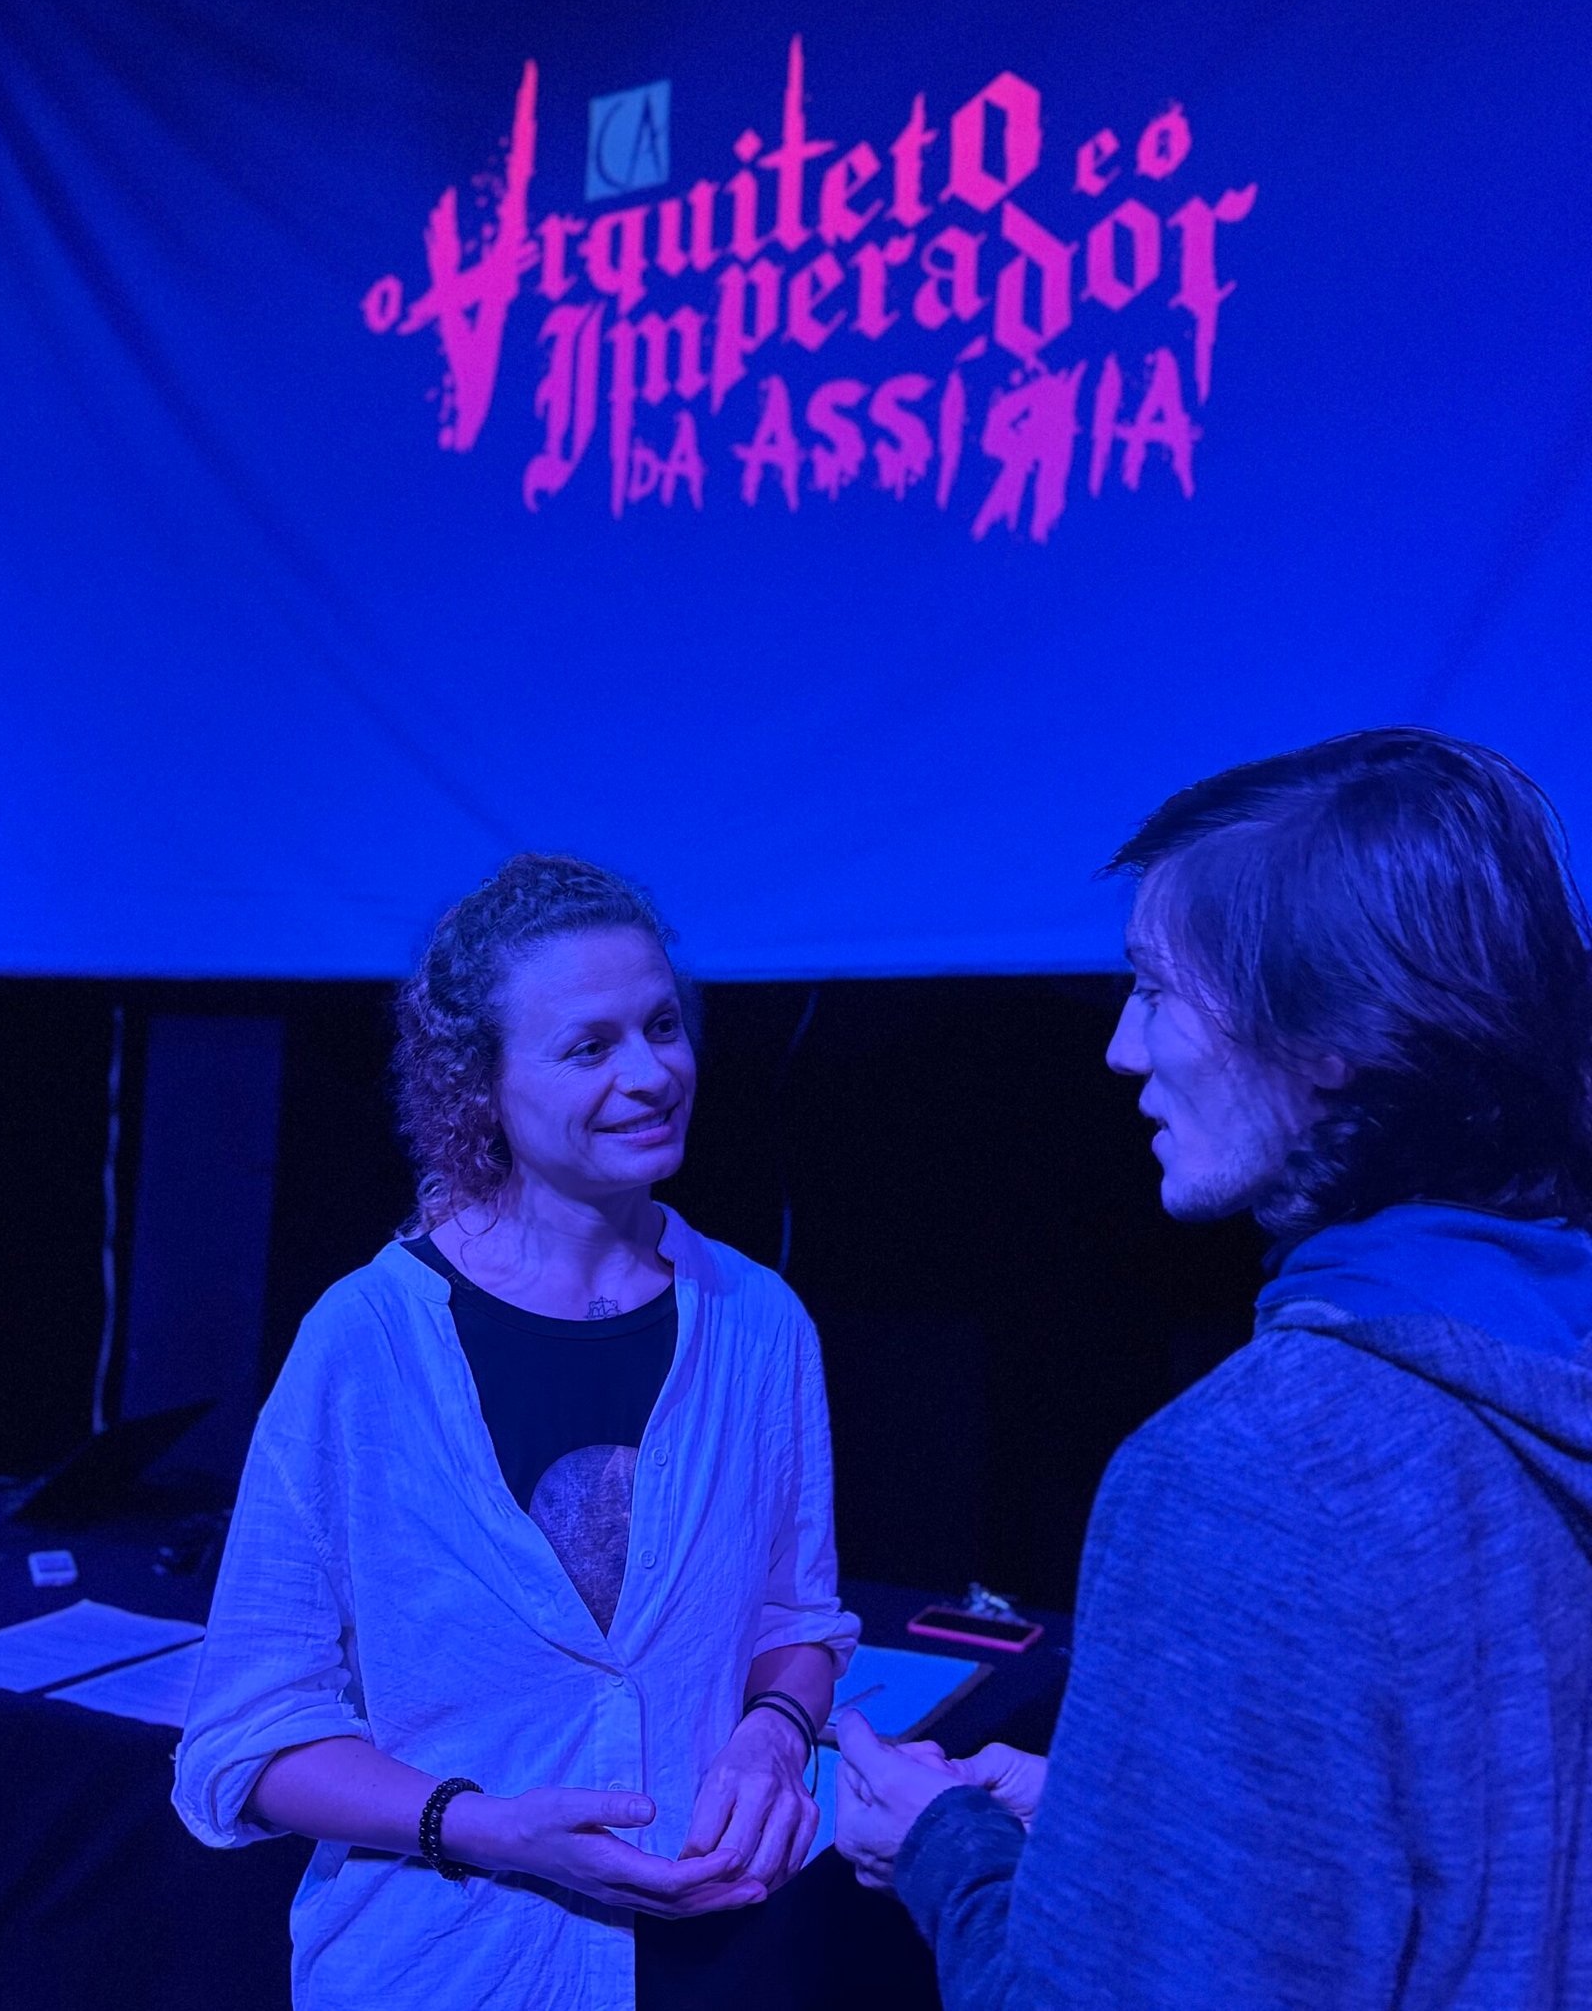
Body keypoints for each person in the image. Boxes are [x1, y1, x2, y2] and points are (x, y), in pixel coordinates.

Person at [836, 729, 1592, 2009]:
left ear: (1329, 1034)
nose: (1121, 1051)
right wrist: (1123, 1827)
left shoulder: (1250, 1474)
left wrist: (946, 1851)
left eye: (1154, 990)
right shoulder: (1539, 1369)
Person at [174, 854, 858, 2011]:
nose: (651, 1073)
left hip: (710, 1958)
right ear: (478, 1085)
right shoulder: (366, 1342)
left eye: (662, 1027)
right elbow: (252, 1733)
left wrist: (774, 1733)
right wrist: (486, 1827)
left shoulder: (758, 1324)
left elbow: (796, 1618)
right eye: (590, 1047)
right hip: (444, 1969)